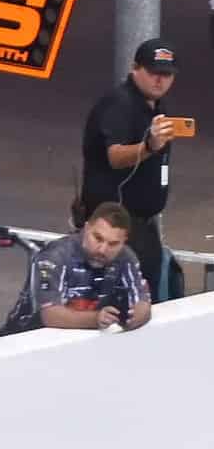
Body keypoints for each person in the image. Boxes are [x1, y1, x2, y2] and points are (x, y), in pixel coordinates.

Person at [78, 38, 179, 300]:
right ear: (135, 68)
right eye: (153, 72)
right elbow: (115, 156)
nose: (160, 80)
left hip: (141, 225)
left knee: (145, 300)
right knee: (120, 304)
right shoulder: (119, 104)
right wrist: (149, 147)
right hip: (115, 228)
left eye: (166, 75)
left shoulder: (156, 106)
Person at [0, 202, 153, 336]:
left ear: (123, 242)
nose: (102, 249)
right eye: (98, 238)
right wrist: (95, 319)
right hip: (24, 339)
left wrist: (139, 314)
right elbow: (51, 316)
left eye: (113, 244)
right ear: (86, 228)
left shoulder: (126, 257)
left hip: (78, 340)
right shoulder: (54, 256)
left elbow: (143, 302)